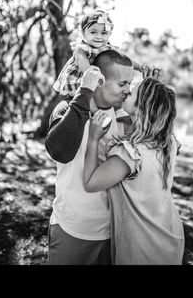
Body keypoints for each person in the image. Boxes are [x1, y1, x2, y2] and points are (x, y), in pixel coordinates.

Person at [45, 49, 135, 264]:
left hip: (111, 231)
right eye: (122, 84)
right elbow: (59, 152)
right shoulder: (66, 109)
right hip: (72, 229)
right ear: (100, 81)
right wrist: (85, 91)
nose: (128, 91)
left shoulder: (123, 120)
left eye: (130, 84)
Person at [83, 77, 185, 265]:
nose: (126, 91)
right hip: (169, 237)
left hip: (142, 248)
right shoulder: (168, 143)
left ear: (141, 109)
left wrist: (93, 140)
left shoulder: (130, 155)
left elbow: (90, 182)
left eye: (132, 92)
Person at [53, 9, 145, 104]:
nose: (99, 36)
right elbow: (80, 58)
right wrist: (90, 72)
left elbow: (123, 58)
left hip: (94, 84)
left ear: (110, 34)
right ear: (83, 33)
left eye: (104, 33)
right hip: (76, 83)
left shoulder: (108, 48)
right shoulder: (83, 48)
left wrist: (139, 67)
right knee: (74, 102)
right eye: (93, 32)